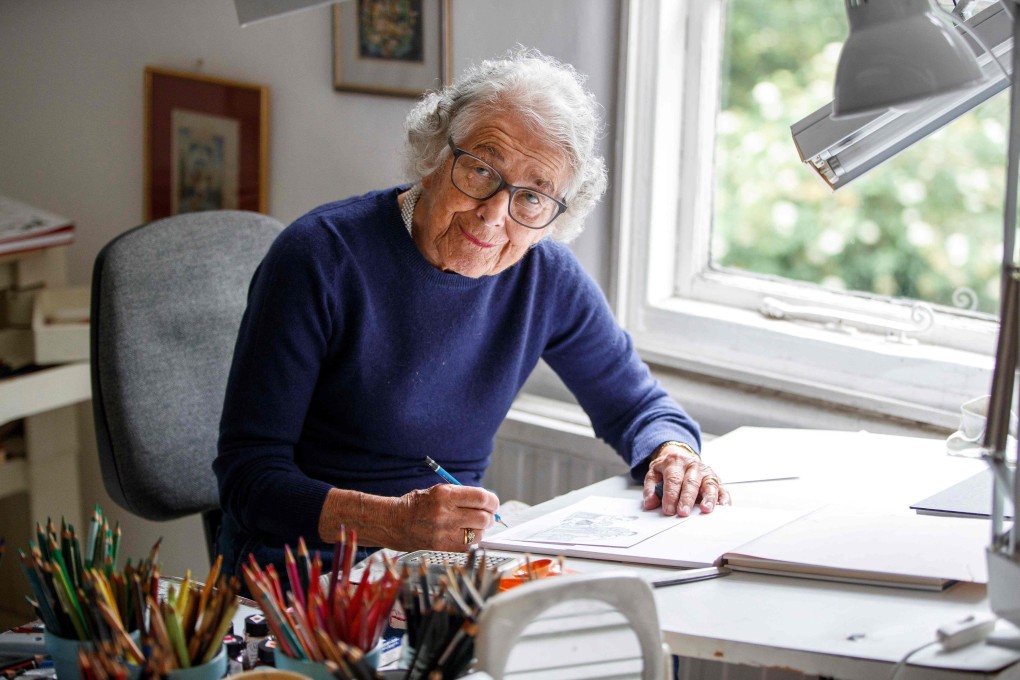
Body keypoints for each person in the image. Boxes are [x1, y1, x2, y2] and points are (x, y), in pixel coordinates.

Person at [213, 47, 730, 576]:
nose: (494, 214)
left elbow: (638, 406)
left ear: (555, 216)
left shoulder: (544, 276)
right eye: (482, 169)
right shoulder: (319, 257)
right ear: (436, 154)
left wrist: (673, 453)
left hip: (437, 569)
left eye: (532, 198)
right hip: (305, 574)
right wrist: (394, 522)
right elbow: (248, 477)